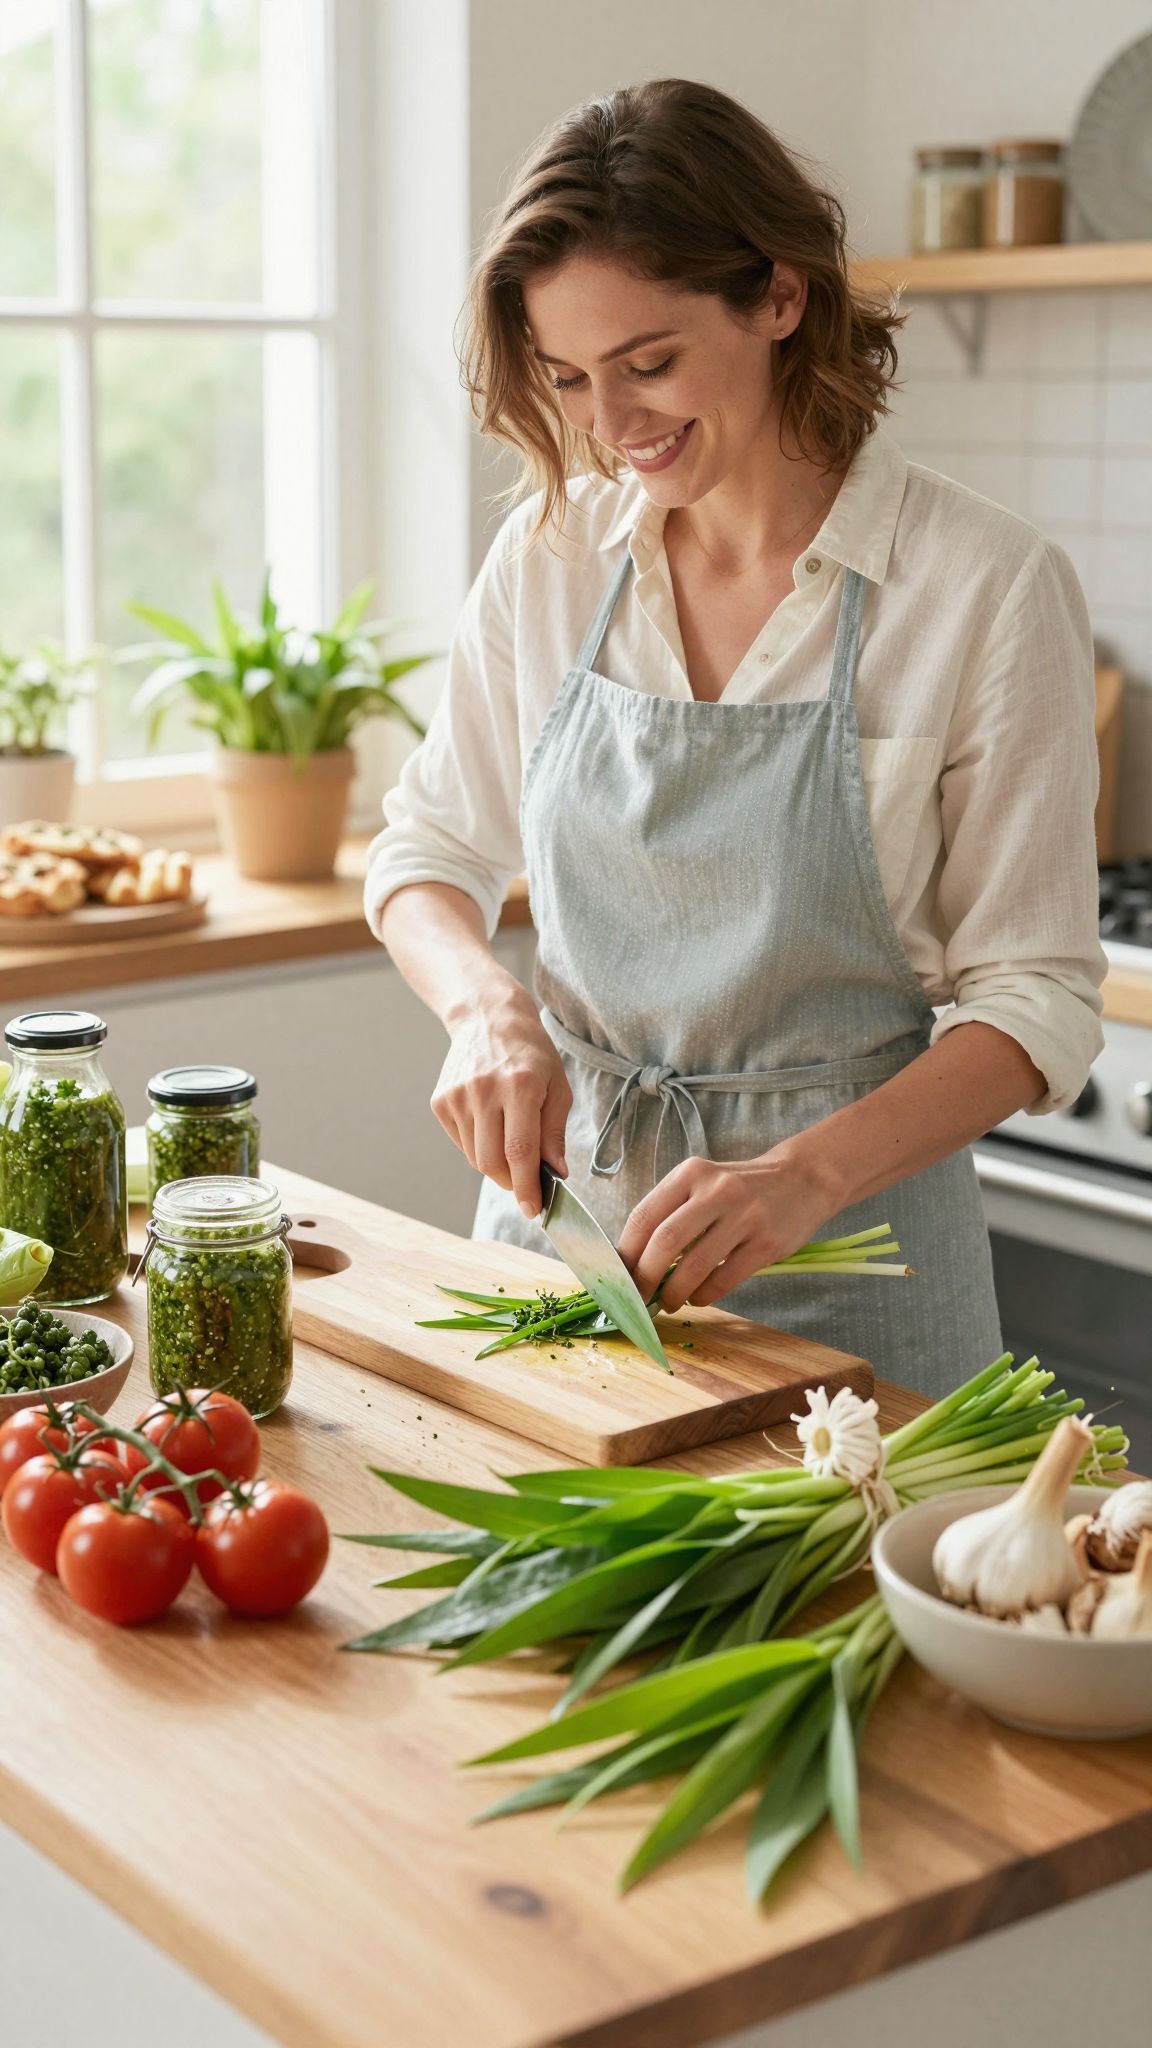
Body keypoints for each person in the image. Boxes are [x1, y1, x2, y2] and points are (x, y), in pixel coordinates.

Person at [364, 78, 1104, 1397]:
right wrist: (486, 1014)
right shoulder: (549, 556)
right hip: (565, 1249)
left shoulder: (983, 586)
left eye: (649, 363)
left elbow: (1035, 998)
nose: (612, 425)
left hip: (859, 1263)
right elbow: (427, 851)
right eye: (569, 379)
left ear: (779, 297)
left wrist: (803, 1173)